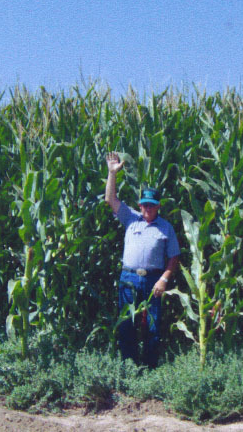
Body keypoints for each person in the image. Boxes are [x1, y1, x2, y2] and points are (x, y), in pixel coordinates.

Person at [105, 152, 180, 368]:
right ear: (139, 205)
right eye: (144, 204)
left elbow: (174, 257)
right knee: (126, 323)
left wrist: (164, 279)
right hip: (128, 278)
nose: (147, 208)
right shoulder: (130, 218)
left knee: (153, 325)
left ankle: (150, 370)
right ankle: (129, 368)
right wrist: (112, 174)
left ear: (158, 206)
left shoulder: (166, 228)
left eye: (151, 205)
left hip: (153, 281)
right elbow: (110, 199)